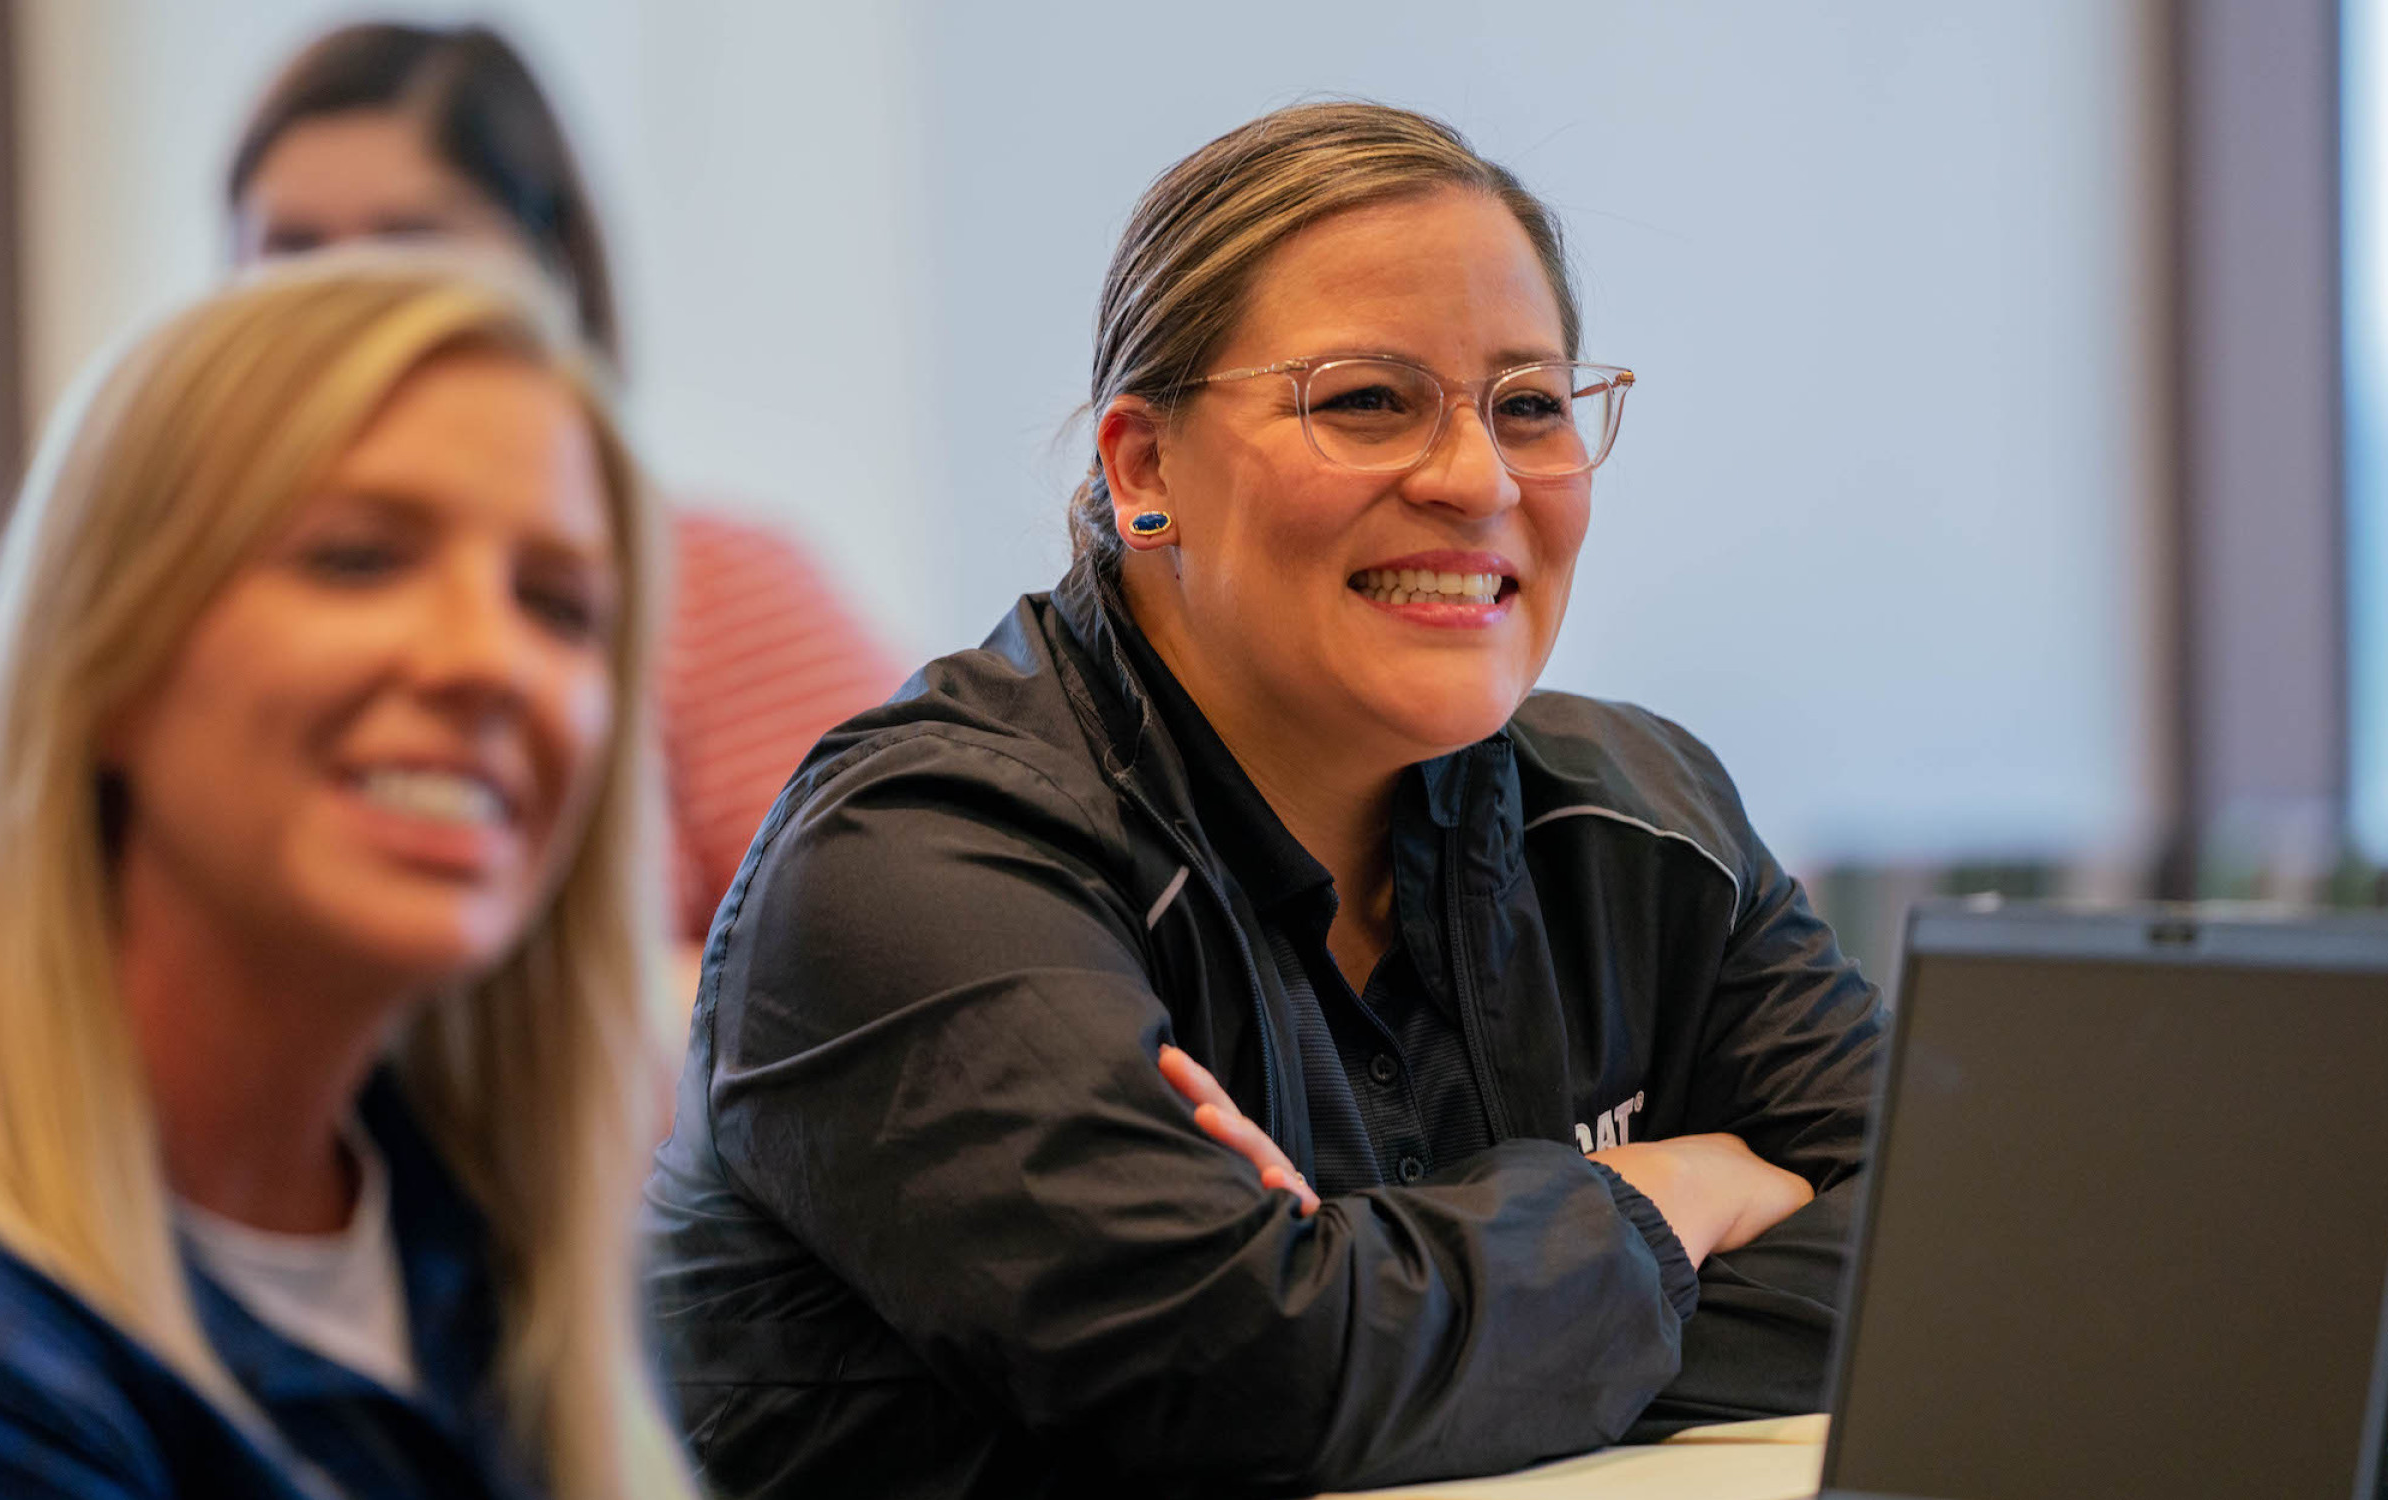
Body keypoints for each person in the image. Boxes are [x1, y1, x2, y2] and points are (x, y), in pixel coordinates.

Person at [642, 101, 1886, 1498]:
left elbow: (1959, 1268)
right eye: (1366, 400)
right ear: (1143, 468)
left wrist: (1366, 1299)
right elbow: (1251, 1384)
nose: (1475, 479)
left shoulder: (1647, 825)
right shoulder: (921, 864)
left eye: (1529, 405)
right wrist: (1664, 1201)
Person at [0, 255, 697, 1500]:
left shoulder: (464, 1249)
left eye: (557, 606)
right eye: (358, 559)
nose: (487, 659)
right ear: (109, 659)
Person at [227, 21, 902, 941]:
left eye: (411, 248)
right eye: (294, 255)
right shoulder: (170, 567)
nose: (351, 308)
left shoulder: (720, 595)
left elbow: (895, 963)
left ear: (556, 277)